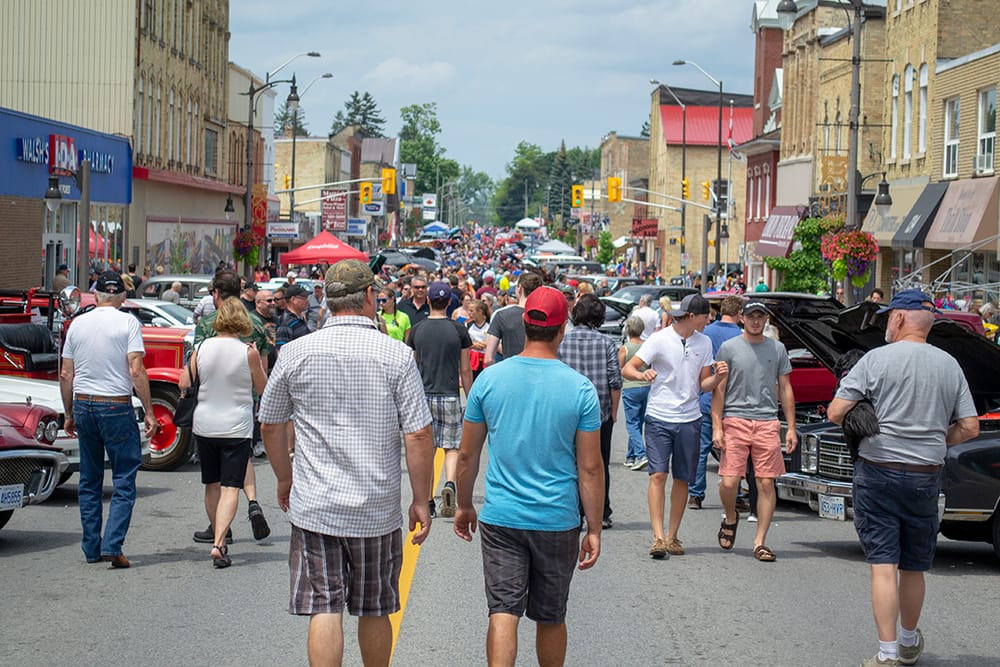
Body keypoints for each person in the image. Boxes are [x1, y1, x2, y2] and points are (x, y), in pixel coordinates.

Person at [259, 259, 435, 667]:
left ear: (327, 300)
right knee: (374, 608)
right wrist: (420, 499)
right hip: (375, 507)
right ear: (371, 297)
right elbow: (419, 434)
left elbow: (270, 423)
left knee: (324, 606)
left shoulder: (296, 352)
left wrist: (284, 478)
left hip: (316, 503)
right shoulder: (396, 355)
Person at [453, 285, 604, 667]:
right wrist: (595, 529)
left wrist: (464, 504)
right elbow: (590, 467)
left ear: (524, 323)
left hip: (502, 516)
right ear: (562, 329)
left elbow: (468, 453)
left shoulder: (489, 380)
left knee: (503, 611)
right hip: (557, 519)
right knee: (551, 616)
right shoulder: (580, 389)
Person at [827, 289, 979, 667]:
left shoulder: (876, 360)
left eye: (887, 319)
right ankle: (909, 642)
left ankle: (887, 653)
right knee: (914, 566)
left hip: (878, 472)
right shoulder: (950, 365)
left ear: (897, 319)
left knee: (884, 564)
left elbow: (835, 412)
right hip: (925, 476)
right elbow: (971, 428)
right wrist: (936, 436)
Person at [59, 271, 159, 568]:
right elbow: (136, 369)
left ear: (97, 295)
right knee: (124, 478)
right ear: (122, 298)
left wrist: (68, 413)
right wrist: (149, 410)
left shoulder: (77, 324)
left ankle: (91, 548)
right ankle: (112, 544)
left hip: (84, 403)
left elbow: (66, 374)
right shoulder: (128, 322)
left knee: (89, 479)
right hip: (115, 404)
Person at [621, 293, 728, 559]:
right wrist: (642, 373)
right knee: (658, 475)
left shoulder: (704, 343)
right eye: (706, 316)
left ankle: (672, 536)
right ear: (692, 316)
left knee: (683, 478)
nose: (709, 320)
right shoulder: (659, 339)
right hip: (658, 416)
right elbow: (628, 368)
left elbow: (703, 384)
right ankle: (657, 537)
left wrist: (717, 379)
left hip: (689, 418)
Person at [180, 298, 267, 568]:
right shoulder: (247, 352)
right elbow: (263, 387)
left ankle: (220, 536)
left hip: (205, 424)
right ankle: (219, 543)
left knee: (212, 484)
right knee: (231, 487)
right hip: (236, 426)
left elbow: (184, 382)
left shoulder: (202, 348)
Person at [711, 301, 797, 561]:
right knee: (729, 482)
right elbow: (720, 389)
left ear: (766, 320)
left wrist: (791, 427)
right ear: (741, 318)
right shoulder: (729, 348)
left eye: (760, 317)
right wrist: (717, 425)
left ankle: (760, 542)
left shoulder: (778, 349)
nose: (756, 321)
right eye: (751, 316)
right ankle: (731, 515)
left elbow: (785, 388)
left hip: (767, 422)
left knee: (766, 483)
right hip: (735, 420)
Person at [193, 270, 273, 544]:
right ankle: (251, 501)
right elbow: (263, 371)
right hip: (241, 408)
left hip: (206, 415)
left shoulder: (205, 330)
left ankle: (219, 531)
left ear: (216, 294)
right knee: (237, 469)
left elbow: (189, 376)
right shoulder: (256, 328)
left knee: (212, 482)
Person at [408, 281, 473, 519]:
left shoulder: (417, 330)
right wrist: (472, 395)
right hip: (449, 394)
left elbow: (412, 366)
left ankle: (428, 502)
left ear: (428, 300)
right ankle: (450, 484)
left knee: (427, 450)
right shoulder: (459, 331)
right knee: (452, 446)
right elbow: (465, 370)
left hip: (423, 394)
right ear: (448, 303)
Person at [558, 293, 621, 529]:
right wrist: (614, 411)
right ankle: (601, 510)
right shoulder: (607, 343)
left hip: (567, 410)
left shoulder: (563, 341)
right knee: (600, 462)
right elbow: (615, 380)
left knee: (570, 461)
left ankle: (574, 510)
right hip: (599, 411)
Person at [690, 295, 744, 510]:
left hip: (705, 397)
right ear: (740, 314)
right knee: (732, 452)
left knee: (701, 449)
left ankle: (695, 494)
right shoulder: (741, 336)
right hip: (731, 401)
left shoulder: (706, 332)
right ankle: (736, 495)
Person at [484, 271, 543, 366]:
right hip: (539, 373)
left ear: (519, 288)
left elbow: (488, 359)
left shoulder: (501, 315)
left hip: (510, 373)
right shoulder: (545, 316)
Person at [619, 316, 650, 470]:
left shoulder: (625, 348)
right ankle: (630, 456)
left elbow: (620, 369)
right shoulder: (646, 346)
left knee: (631, 423)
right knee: (639, 422)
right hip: (646, 386)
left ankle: (640, 454)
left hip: (630, 387)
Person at [275, 284, 311, 352]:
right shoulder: (286, 323)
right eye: (304, 298)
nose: (307, 301)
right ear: (293, 299)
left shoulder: (298, 319)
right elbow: (281, 351)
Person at [466, 299, 491, 382]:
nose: (469, 313)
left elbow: (493, 339)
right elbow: (464, 341)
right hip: (472, 359)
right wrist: (473, 345)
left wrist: (485, 344)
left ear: (480, 311)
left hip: (486, 359)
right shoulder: (468, 325)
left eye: (471, 311)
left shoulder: (490, 325)